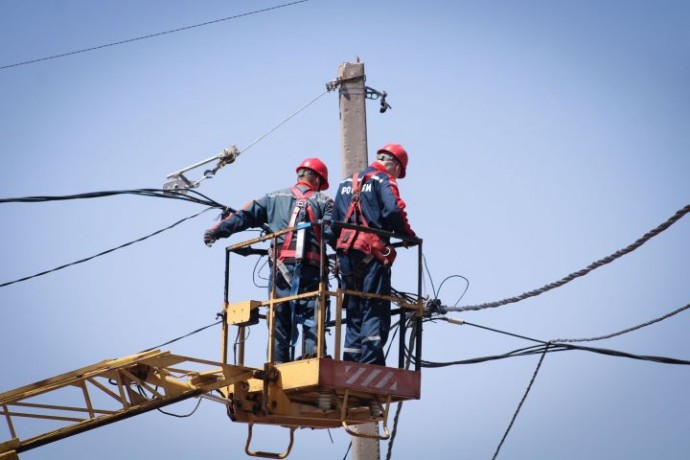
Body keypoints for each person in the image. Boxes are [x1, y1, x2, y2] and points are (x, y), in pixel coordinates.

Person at [204, 158, 333, 364]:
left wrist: (217, 231)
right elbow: (332, 233)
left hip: (282, 272)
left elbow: (244, 216)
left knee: (279, 319)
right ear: (317, 179)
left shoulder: (273, 197)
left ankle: (277, 364)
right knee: (313, 316)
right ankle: (314, 358)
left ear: (299, 175)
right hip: (311, 271)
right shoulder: (324, 201)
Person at [331, 143, 416, 366]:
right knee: (374, 306)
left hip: (346, 253)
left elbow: (335, 223)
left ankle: (351, 361)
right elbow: (393, 210)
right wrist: (407, 235)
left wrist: (339, 252)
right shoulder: (383, 179)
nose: (397, 175)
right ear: (395, 165)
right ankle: (370, 362)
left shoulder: (345, 183)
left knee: (355, 308)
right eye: (399, 171)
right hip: (371, 254)